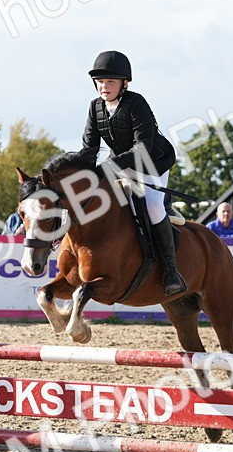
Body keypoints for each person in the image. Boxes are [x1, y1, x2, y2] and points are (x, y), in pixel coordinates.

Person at [80, 50, 188, 295]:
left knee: (152, 206)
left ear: (124, 83)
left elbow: (142, 148)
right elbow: (89, 148)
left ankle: (172, 271)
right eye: (100, 82)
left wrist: (110, 166)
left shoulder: (136, 103)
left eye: (110, 82)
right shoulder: (95, 107)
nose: (104, 86)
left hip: (152, 162)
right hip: (119, 161)